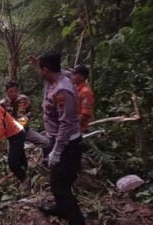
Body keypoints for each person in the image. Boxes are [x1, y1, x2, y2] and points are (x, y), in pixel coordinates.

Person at [30, 50, 86, 225]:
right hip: (57, 141)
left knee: (61, 187)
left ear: (46, 70)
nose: (39, 73)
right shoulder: (57, 79)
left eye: (40, 69)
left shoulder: (63, 90)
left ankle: (77, 221)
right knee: (56, 183)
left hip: (67, 145)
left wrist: (57, 151)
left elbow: (66, 124)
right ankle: (62, 208)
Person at [0, 81, 50, 148]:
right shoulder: (2, 103)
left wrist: (24, 120)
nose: (14, 93)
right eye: (11, 91)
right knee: (16, 153)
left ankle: (47, 158)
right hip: (12, 133)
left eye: (15, 91)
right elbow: (1, 121)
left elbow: (30, 112)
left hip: (24, 129)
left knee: (45, 142)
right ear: (6, 91)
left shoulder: (23, 99)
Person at [69, 64, 95, 132]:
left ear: (82, 77)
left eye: (74, 74)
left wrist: (75, 127)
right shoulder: (74, 88)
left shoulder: (86, 92)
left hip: (78, 129)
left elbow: (85, 114)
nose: (72, 76)